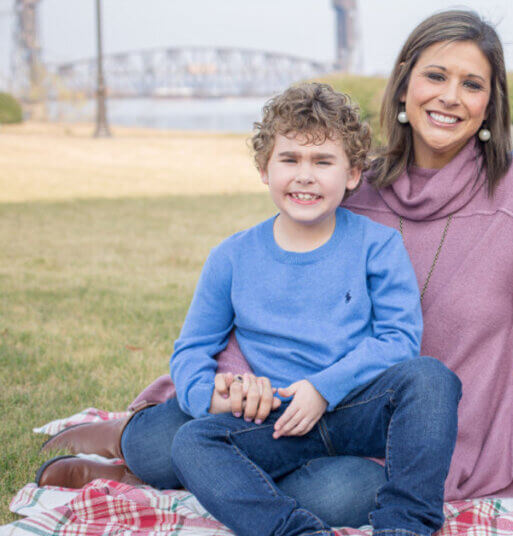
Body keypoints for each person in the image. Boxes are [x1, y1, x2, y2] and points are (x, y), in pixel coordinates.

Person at [36, 9, 513, 526]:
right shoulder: (350, 182)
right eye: (435, 76)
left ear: (491, 103)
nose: (450, 97)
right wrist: (240, 384)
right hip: (285, 407)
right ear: (404, 85)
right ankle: (130, 448)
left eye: (472, 84)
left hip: (414, 429)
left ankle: (191, 481)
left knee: (341, 495)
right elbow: (272, 287)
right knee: (164, 439)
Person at [49, 82, 461, 536]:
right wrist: (207, 395)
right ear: (265, 169)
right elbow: (192, 349)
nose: (305, 175)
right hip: (262, 422)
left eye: (323, 161)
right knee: (174, 443)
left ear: (352, 174)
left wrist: (322, 388)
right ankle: (129, 449)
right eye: (290, 159)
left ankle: (404, 528)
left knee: (395, 432)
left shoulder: (377, 245)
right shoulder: (232, 255)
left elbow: (399, 340)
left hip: (346, 415)